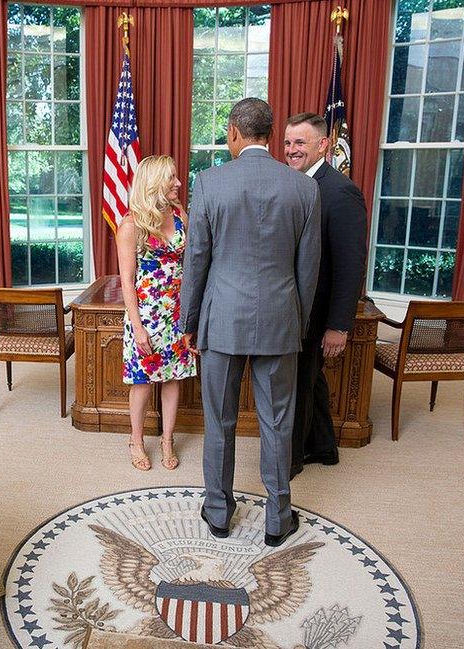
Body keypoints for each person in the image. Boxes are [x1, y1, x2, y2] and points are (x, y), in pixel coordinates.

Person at [180, 98, 321, 547]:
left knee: (218, 418)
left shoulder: (209, 183)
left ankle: (218, 513)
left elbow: (196, 259)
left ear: (236, 133)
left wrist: (189, 320)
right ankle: (278, 519)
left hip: (221, 320)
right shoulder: (302, 187)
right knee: (277, 422)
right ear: (268, 134)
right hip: (280, 321)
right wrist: (295, 322)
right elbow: (308, 269)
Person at [283, 113, 367, 478]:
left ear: (323, 145)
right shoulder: (290, 184)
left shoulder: (340, 191)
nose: (291, 150)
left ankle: (292, 459)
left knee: (298, 382)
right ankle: (323, 447)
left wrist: (338, 325)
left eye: (300, 143)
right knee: (310, 378)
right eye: (287, 143)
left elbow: (351, 266)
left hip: (318, 311)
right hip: (293, 304)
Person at [117, 154, 198, 472]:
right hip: (146, 317)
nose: (179, 183)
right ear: (154, 183)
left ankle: (167, 440)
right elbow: (126, 282)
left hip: (176, 315)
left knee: (173, 379)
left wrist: (192, 316)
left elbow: (190, 267)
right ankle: (136, 441)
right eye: (172, 178)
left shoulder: (180, 216)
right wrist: (137, 328)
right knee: (142, 382)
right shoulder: (131, 224)